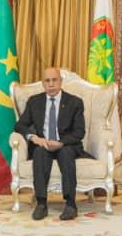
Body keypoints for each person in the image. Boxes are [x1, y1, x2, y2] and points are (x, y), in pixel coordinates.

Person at [14, 67, 91, 221]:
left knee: (66, 153)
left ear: (61, 81)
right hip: (43, 144)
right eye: (47, 81)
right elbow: (20, 125)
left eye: (54, 80)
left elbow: (79, 132)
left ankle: (70, 204)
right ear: (43, 83)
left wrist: (61, 143)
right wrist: (34, 138)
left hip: (66, 145)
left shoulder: (74, 102)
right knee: (39, 152)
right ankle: (41, 204)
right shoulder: (34, 101)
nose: (51, 84)